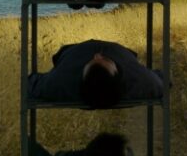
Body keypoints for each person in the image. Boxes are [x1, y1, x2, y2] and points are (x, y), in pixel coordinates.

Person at [28, 40, 164, 108]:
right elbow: (162, 79)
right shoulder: (138, 79)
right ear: (119, 73)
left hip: (72, 54)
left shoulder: (60, 82)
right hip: (122, 54)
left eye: (90, 62)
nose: (97, 56)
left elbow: (32, 82)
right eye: (106, 60)